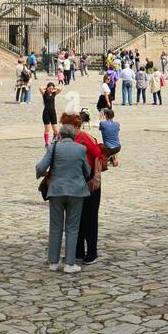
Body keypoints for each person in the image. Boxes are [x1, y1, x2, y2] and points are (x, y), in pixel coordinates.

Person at [35, 115, 92, 274]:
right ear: (74, 136)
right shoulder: (81, 149)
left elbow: (40, 167)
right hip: (76, 192)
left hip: (57, 191)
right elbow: (87, 171)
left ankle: (53, 261)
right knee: (72, 228)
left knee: (55, 226)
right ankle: (69, 263)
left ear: (60, 135)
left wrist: (41, 175)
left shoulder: (54, 147)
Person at [74, 110, 104, 266]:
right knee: (82, 217)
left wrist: (95, 178)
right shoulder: (77, 137)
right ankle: (83, 252)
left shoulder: (82, 137)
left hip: (87, 181)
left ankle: (87, 252)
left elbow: (98, 155)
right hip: (81, 181)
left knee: (84, 218)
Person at [41, 81, 60, 145]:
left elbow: (60, 89)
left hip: (53, 112)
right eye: (50, 88)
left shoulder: (54, 93)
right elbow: (40, 88)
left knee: (56, 130)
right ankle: (46, 142)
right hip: (46, 112)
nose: (51, 89)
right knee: (47, 129)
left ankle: (54, 141)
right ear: (47, 88)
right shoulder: (44, 93)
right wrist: (46, 88)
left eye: (52, 88)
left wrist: (54, 88)